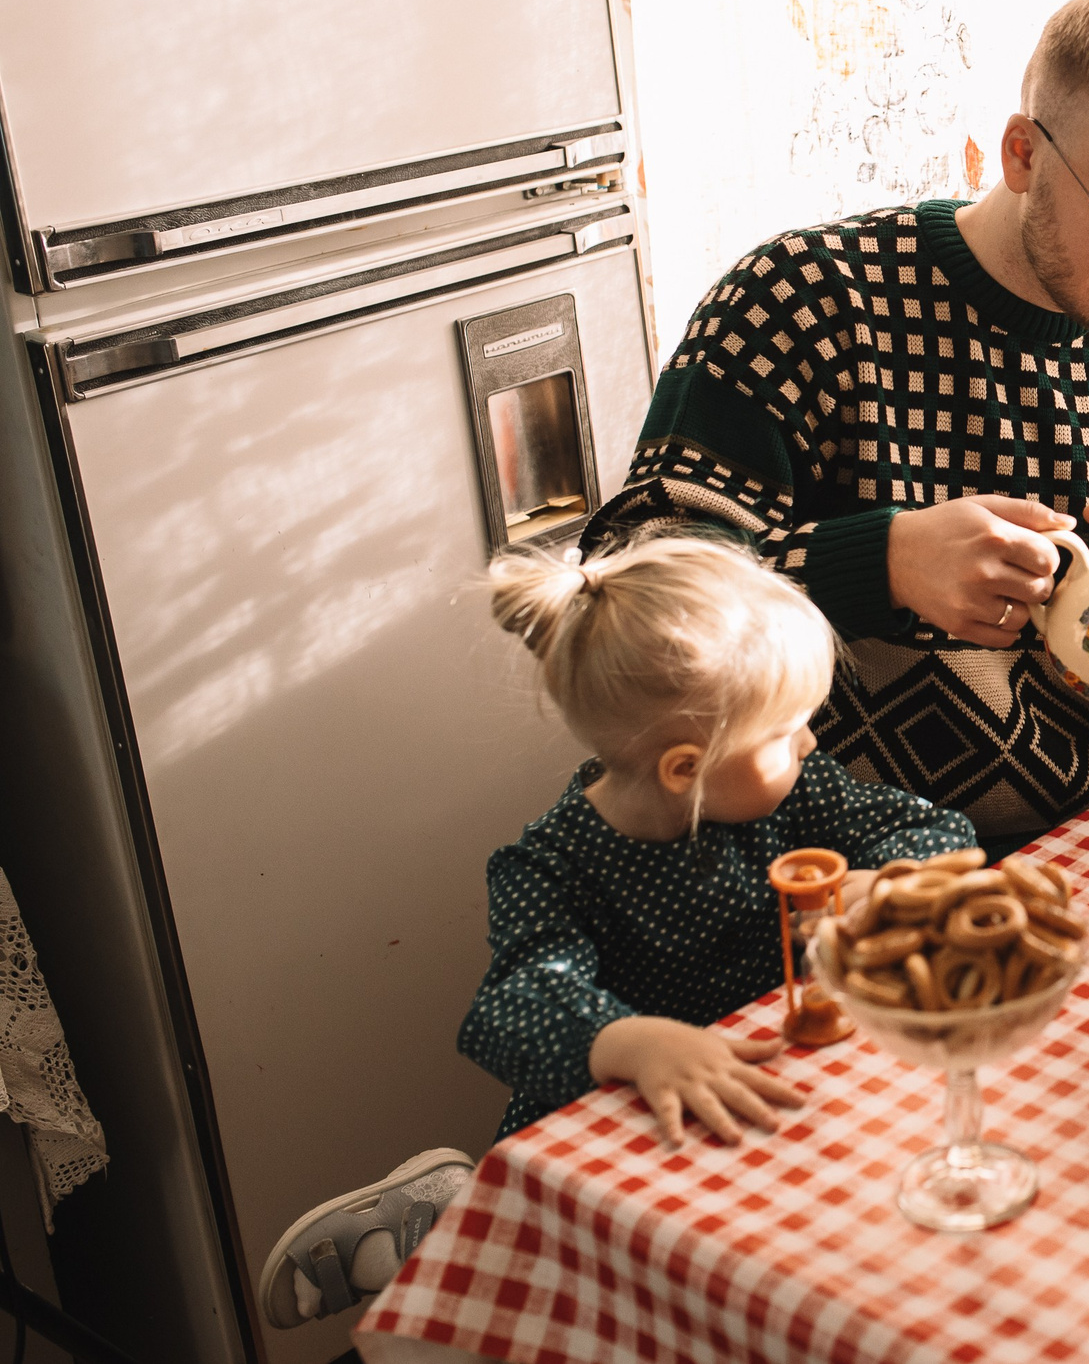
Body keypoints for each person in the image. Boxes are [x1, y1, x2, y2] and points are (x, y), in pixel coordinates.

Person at [585, 0, 1089, 855]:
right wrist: (880, 562)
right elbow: (624, 593)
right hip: (838, 869)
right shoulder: (806, 301)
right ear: (1023, 154)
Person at [261, 536, 970, 1329]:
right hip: (619, 1122)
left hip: (756, 1089)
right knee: (587, 1309)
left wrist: (887, 883)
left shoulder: (791, 790)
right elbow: (515, 1004)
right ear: (685, 768)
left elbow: (928, 829)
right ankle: (453, 1221)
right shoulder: (550, 866)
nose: (809, 743)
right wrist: (636, 1042)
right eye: (789, 729)